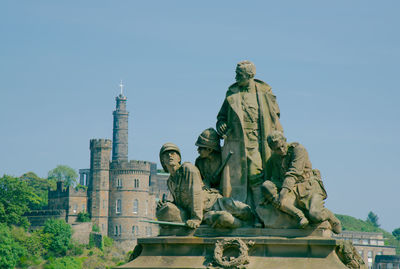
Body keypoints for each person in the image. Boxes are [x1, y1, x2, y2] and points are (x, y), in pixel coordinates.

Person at [216, 60, 283, 210]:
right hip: (236, 143)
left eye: (239, 75)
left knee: (256, 175)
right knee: (237, 179)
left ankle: (261, 212)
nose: (236, 78)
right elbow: (221, 117)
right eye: (236, 74)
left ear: (250, 75)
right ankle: (239, 210)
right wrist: (221, 125)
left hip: (259, 142)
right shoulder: (232, 94)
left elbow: (276, 117)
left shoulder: (265, 93)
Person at [156, 143, 254, 229]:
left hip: (214, 203)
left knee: (244, 211)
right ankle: (244, 226)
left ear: (179, 158)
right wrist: (168, 204)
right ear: (162, 161)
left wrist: (196, 219)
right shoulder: (170, 182)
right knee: (224, 219)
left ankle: (256, 221)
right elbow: (182, 202)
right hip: (204, 213)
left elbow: (196, 194)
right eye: (165, 154)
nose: (170, 155)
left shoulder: (188, 169)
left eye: (173, 153)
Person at [260, 131, 342, 233]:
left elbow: (293, 173)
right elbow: (272, 179)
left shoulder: (298, 150)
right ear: (272, 149)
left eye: (282, 146)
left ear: (285, 141)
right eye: (277, 149)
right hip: (292, 190)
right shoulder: (273, 159)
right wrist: (269, 194)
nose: (281, 150)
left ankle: (330, 217)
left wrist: (282, 195)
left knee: (315, 215)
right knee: (269, 188)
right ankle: (300, 216)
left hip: (309, 188)